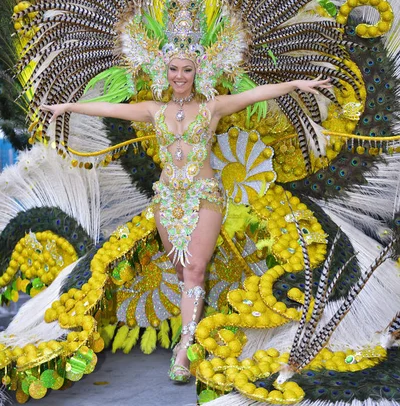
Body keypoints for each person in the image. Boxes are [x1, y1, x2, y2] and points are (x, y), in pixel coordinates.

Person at [41, 58, 331, 383]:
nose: (180, 76)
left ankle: (184, 348)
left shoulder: (212, 108)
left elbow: (256, 95)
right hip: (166, 200)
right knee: (181, 271)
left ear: (198, 73)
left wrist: (295, 86)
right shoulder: (153, 110)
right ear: (165, 73)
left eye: (187, 69)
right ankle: (195, 326)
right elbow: (111, 109)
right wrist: (67, 107)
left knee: (194, 269)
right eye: (174, 69)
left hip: (204, 196)